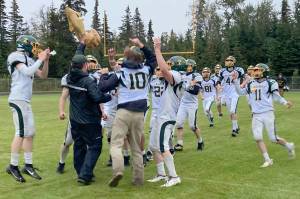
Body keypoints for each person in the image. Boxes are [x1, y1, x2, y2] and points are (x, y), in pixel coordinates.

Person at [67, 38, 117, 185]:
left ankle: (80, 171)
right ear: (84, 65)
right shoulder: (88, 81)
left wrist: (82, 43)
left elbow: (77, 55)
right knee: (95, 146)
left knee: (79, 145)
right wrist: (110, 95)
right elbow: (97, 97)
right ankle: (85, 174)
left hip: (75, 119)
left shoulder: (70, 75)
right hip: (89, 120)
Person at [108, 38, 157, 187]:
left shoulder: (122, 71)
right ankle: (138, 179)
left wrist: (108, 67)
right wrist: (141, 45)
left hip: (123, 111)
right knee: (137, 148)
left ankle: (118, 170)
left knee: (116, 144)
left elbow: (107, 83)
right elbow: (152, 58)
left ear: (127, 58)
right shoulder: (146, 70)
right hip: (139, 114)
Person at [6, 35, 50, 182]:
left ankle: (28, 165)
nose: (35, 48)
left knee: (30, 133)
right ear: (25, 45)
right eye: (33, 45)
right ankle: (13, 166)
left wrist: (45, 61)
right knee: (21, 133)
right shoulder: (15, 56)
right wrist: (40, 59)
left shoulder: (30, 59)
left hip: (25, 100)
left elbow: (43, 75)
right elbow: (27, 71)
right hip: (17, 99)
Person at [233, 63, 295, 167]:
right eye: (255, 70)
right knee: (257, 137)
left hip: (268, 113)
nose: (256, 72)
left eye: (259, 70)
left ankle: (289, 146)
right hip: (256, 115)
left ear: (264, 71)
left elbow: (276, 97)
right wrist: (235, 81)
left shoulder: (271, 82)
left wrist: (285, 102)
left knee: (273, 138)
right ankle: (267, 159)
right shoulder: (250, 83)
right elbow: (240, 92)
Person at [148, 38, 185, 188]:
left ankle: (174, 176)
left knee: (163, 147)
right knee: (153, 146)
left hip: (167, 117)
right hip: (159, 115)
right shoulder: (164, 80)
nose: (167, 67)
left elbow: (163, 70)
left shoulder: (177, 77)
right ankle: (161, 174)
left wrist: (157, 50)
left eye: (170, 65)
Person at [56, 54, 100, 174]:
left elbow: (97, 98)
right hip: (76, 117)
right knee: (68, 142)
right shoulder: (72, 77)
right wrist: (61, 110)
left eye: (92, 61)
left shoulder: (94, 78)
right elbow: (64, 96)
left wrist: (103, 111)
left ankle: (85, 170)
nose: (90, 64)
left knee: (87, 145)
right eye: (88, 61)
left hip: (88, 117)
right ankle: (61, 162)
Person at [174, 59, 204, 152]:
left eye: (190, 66)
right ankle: (180, 143)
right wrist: (189, 86)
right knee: (178, 123)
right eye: (187, 66)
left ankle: (200, 141)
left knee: (192, 126)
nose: (188, 67)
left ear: (193, 67)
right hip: (183, 103)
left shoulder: (197, 76)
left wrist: (187, 87)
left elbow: (195, 91)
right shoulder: (182, 75)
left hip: (192, 104)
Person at [219, 56, 244, 137]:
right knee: (231, 112)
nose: (229, 62)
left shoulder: (239, 70)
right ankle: (236, 127)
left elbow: (244, 78)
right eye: (227, 60)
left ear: (234, 62)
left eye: (230, 60)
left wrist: (242, 84)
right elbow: (219, 81)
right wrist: (219, 86)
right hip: (226, 94)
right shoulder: (222, 71)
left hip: (235, 93)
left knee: (233, 111)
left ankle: (234, 129)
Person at [146, 67, 166, 161]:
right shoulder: (152, 80)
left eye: (161, 69)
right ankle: (150, 150)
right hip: (155, 109)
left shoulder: (168, 80)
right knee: (152, 128)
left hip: (166, 109)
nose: (159, 71)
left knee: (165, 132)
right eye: (157, 70)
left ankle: (169, 148)